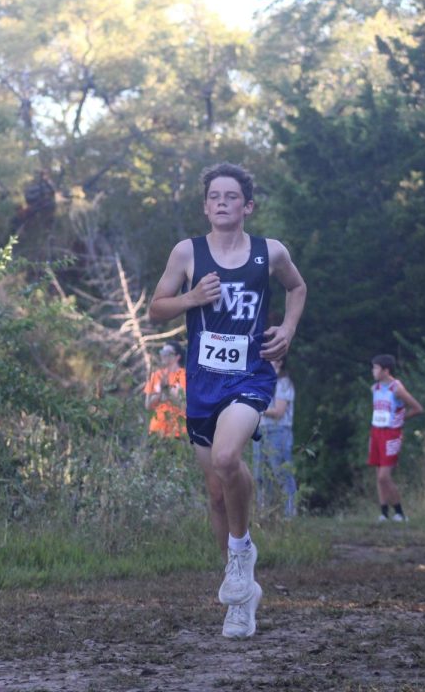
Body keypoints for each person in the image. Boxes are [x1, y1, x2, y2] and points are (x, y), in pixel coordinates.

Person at [148, 162, 306, 640]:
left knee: (226, 456)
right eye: (214, 196)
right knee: (217, 491)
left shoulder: (269, 252)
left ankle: (241, 552)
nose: (221, 202)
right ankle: (240, 593)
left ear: (247, 206)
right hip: (202, 381)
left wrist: (289, 330)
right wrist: (192, 297)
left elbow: (297, 288)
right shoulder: (187, 252)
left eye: (231, 196)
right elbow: (157, 308)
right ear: (204, 206)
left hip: (250, 376)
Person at [368, 354, 424, 522]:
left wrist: (401, 418)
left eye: (376, 368)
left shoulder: (396, 388)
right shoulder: (375, 388)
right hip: (377, 431)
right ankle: (384, 512)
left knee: (384, 476)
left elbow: (417, 408)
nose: (373, 371)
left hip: (391, 434)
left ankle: (400, 512)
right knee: (378, 473)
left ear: (386, 371)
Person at [253, 356, 296, 517]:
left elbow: (278, 412)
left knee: (281, 472)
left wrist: (256, 407)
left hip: (279, 431)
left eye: (273, 360)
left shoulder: (283, 383)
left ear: (280, 362)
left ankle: (289, 514)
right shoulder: (262, 381)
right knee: (260, 474)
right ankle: (264, 513)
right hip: (261, 430)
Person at [144, 342, 186, 439]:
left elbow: (184, 404)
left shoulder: (184, 376)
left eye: (167, 352)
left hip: (178, 431)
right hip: (157, 430)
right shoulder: (156, 375)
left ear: (177, 356)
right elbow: (147, 406)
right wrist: (160, 394)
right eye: (162, 351)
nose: (163, 355)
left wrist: (167, 389)